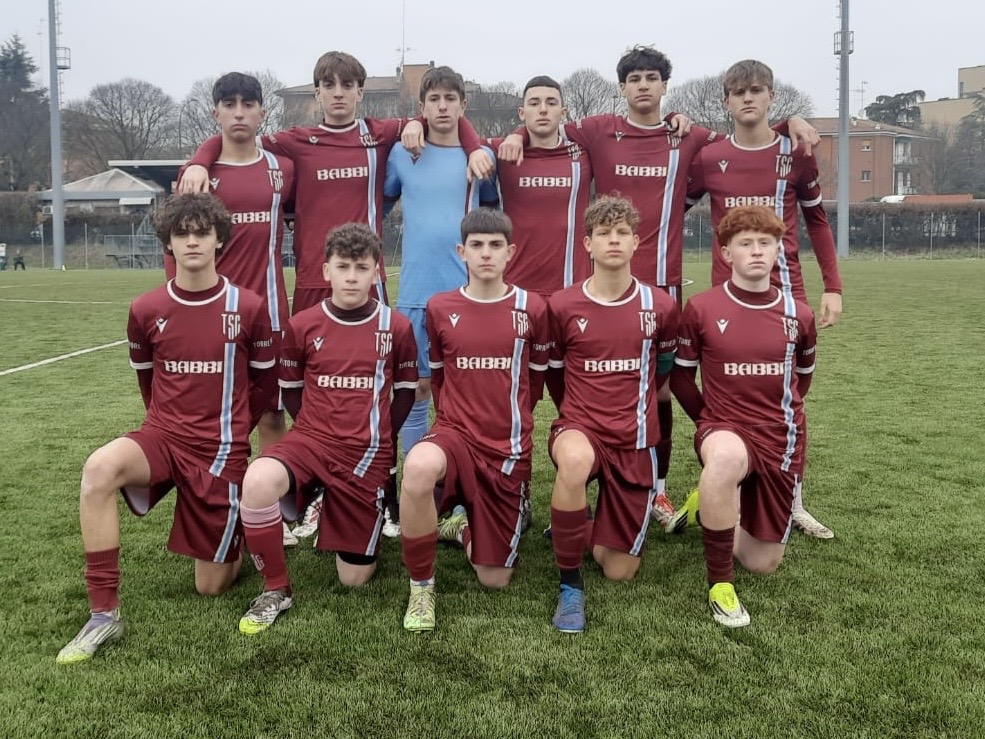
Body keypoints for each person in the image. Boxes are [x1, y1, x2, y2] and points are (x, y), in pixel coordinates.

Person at [500, 46, 819, 526]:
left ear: (665, 85)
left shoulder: (688, 136)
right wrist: (515, 132)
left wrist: (789, 122)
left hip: (663, 286)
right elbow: (544, 124)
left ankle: (658, 491)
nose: (643, 85)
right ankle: (580, 480)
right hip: (604, 288)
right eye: (634, 79)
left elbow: (747, 135)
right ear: (622, 87)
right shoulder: (597, 130)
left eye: (652, 78)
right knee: (590, 386)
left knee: (662, 389)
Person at [56, 193, 276, 664]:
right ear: (168, 244)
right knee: (98, 469)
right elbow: (148, 383)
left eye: (202, 233)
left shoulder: (249, 306)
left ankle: (233, 533)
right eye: (182, 233)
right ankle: (103, 613)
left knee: (210, 587)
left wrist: (236, 431)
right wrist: (163, 426)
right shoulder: (145, 308)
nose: (192, 241)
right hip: (163, 437)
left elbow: (264, 384)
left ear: (219, 240)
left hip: (221, 451)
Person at [684, 59, 842, 539]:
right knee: (726, 388)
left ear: (772, 95)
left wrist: (833, 287)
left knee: (789, 397)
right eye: (739, 92)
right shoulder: (709, 156)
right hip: (724, 297)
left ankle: (791, 499)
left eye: (757, 90)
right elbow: (670, 210)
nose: (748, 98)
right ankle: (725, 475)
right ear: (726, 101)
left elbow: (817, 220)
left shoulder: (796, 151)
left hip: (787, 291)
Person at [236, 223, 417, 635]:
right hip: (312, 443)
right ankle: (276, 588)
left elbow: (406, 393)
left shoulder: (396, 327)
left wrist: (382, 438)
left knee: (354, 578)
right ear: (326, 271)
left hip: (366, 454)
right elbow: (291, 391)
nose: (352, 276)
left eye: (361, 267)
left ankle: (339, 505)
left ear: (377, 272)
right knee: (258, 479)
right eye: (343, 266)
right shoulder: (302, 325)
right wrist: (314, 431)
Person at [399, 209, 548, 632]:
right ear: (461, 252)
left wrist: (510, 419)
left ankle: (464, 528)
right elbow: (440, 378)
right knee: (418, 467)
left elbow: (535, 383)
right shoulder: (440, 307)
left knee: (494, 578)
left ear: (510, 252)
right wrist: (452, 421)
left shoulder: (532, 307)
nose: (486, 253)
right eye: (477, 245)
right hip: (456, 434)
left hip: (507, 447)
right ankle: (421, 587)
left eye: (495, 245)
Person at [668, 206, 817, 627]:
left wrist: (777, 414)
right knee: (724, 460)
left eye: (765, 243)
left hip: (780, 437)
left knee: (762, 562)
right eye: (745, 243)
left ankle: (707, 507)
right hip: (725, 428)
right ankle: (720, 584)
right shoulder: (701, 308)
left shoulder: (799, 315)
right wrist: (709, 422)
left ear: (778, 250)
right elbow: (680, 379)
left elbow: (801, 381)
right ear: (726, 252)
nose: (756, 251)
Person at [545, 196, 678, 634]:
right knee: (574, 459)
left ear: (637, 241)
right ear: (588, 243)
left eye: (622, 232)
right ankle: (570, 586)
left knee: (619, 569)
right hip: (580, 429)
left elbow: (662, 373)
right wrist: (574, 416)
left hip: (635, 441)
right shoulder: (562, 305)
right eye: (604, 233)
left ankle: (577, 523)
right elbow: (556, 376)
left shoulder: (660, 306)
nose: (614, 240)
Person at [384, 65, 499, 462]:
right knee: (417, 388)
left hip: (465, 294)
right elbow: (377, 204)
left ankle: (465, 474)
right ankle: (419, 474)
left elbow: (494, 213)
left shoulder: (482, 158)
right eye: (434, 99)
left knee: (462, 389)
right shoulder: (402, 153)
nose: (443, 106)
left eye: (451, 98)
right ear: (422, 107)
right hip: (415, 293)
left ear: (464, 105)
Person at [487, 76, 593, 301]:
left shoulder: (584, 153)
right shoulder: (503, 151)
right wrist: (418, 122)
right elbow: (456, 138)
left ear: (563, 113)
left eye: (551, 103)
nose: (543, 109)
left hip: (572, 289)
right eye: (534, 103)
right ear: (521, 112)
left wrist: (671, 118)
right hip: (515, 289)